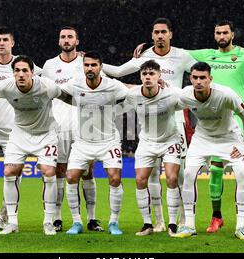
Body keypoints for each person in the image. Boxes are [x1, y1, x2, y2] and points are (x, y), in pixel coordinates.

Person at [133, 20, 244, 235]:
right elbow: (172, 52)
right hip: (209, 124)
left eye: (225, 32)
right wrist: (148, 50)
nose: (222, 35)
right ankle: (214, 218)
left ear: (233, 34)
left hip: (239, 122)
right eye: (218, 32)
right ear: (214, 35)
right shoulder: (205, 56)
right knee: (214, 171)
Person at [103, 18, 195, 232]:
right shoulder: (144, 57)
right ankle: (159, 222)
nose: (160, 35)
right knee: (151, 176)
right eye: (156, 32)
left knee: (178, 176)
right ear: (152, 35)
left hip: (176, 122)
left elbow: (204, 70)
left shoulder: (182, 55)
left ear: (170, 34)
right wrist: (87, 61)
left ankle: (183, 220)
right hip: (149, 127)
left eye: (164, 32)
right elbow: (117, 72)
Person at [0, 55, 72, 235]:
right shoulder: (6, 87)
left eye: (25, 70)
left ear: (32, 73)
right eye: (17, 70)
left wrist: (89, 101)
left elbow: (67, 97)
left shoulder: (47, 86)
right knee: (9, 172)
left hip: (45, 134)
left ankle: (48, 221)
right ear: (13, 73)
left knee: (49, 172)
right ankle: (12, 222)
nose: (21, 74)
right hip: (19, 134)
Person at [174, 62, 244, 240]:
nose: (199, 81)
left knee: (241, 173)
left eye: (203, 78)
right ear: (190, 79)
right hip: (202, 139)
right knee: (188, 173)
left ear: (210, 79)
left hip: (230, 138)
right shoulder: (185, 94)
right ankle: (189, 225)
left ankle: (241, 226)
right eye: (195, 77)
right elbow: (170, 104)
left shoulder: (225, 94)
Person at [0, 26, 42, 231]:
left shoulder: (21, 65)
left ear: (12, 43)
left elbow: (47, 75)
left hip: (11, 129)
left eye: (5, 39)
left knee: (14, 173)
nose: (1, 43)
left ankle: (5, 215)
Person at [42, 26, 102, 232]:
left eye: (70, 37)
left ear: (77, 41)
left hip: (84, 124)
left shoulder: (86, 62)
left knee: (87, 171)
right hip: (58, 125)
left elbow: (111, 73)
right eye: (63, 37)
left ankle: (92, 218)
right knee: (59, 171)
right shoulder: (49, 65)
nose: (66, 40)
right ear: (59, 41)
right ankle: (57, 218)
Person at [61, 51, 128, 235]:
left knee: (115, 178)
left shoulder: (112, 86)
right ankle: (77, 222)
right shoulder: (75, 83)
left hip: (108, 142)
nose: (89, 68)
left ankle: (114, 222)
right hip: (82, 142)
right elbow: (59, 92)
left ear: (100, 66)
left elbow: (131, 92)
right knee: (71, 177)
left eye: (93, 65)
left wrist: (153, 84)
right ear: (83, 66)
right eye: (86, 65)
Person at [121, 60, 184, 236]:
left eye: (152, 74)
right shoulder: (133, 95)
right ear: (141, 77)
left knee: (172, 178)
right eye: (145, 74)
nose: (148, 77)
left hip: (170, 140)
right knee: (141, 180)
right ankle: (148, 224)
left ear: (159, 76)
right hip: (147, 143)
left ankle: (172, 224)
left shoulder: (171, 93)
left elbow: (194, 96)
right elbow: (116, 86)